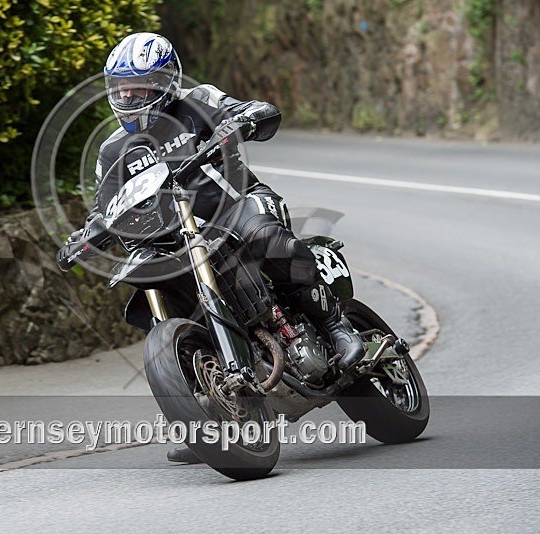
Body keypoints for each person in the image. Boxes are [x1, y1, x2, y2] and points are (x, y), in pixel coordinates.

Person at [59, 33, 365, 463]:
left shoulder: (198, 100)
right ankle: (203, 410)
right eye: (121, 88)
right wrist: (85, 237)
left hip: (234, 204)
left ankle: (336, 326)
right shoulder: (112, 151)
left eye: (139, 87)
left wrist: (247, 117)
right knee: (156, 295)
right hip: (172, 234)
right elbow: (104, 208)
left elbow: (249, 112)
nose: (129, 96)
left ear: (166, 81)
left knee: (266, 239)